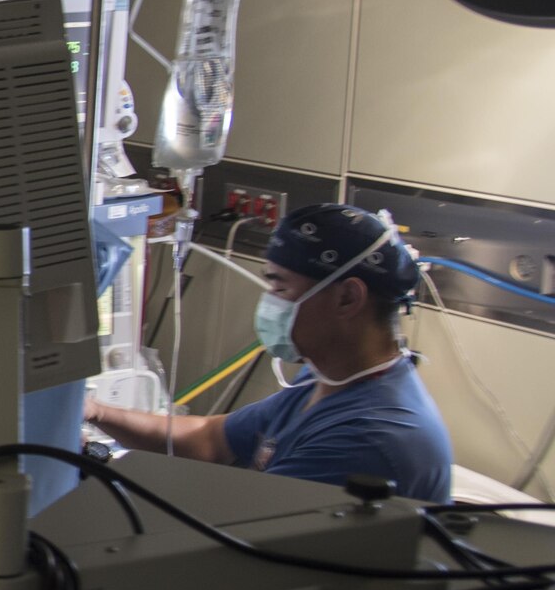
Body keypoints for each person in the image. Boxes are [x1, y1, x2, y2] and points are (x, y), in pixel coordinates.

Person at [86, 203, 452, 501]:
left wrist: (95, 468)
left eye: (279, 288)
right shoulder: (326, 379)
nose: (268, 304)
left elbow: (243, 529)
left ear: (347, 298)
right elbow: (209, 439)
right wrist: (96, 411)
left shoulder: (369, 439)